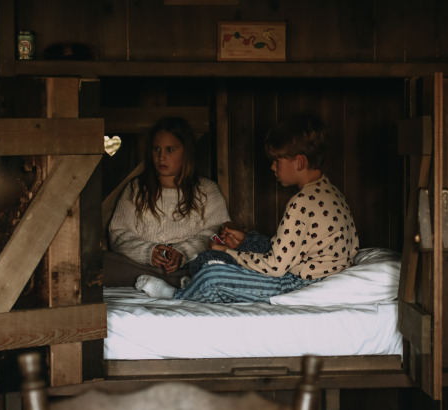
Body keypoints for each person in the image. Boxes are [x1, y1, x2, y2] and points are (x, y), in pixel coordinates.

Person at [136, 112, 359, 302]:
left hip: (298, 285)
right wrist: (245, 242)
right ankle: (197, 284)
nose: (272, 167)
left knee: (214, 274)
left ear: (299, 162)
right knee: (221, 261)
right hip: (315, 275)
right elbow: (291, 249)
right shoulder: (331, 192)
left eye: (277, 161)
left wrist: (231, 253)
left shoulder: (301, 203)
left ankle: (177, 295)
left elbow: (275, 267)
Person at [105, 116, 231, 287]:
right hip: (142, 267)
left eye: (170, 150)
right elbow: (118, 234)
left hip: (189, 266)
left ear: (186, 151)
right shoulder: (136, 188)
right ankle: (174, 282)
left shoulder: (207, 190)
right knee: (104, 262)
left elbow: (217, 234)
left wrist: (183, 252)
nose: (161, 156)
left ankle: (176, 280)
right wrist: (149, 252)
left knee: (217, 264)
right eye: (156, 149)